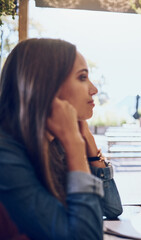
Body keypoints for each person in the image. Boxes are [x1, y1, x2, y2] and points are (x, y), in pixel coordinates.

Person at [0, 38, 122, 239]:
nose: (94, 89)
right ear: (45, 86)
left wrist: (90, 150)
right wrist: (74, 144)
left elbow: (111, 208)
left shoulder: (53, 146)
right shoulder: (6, 157)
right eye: (82, 77)